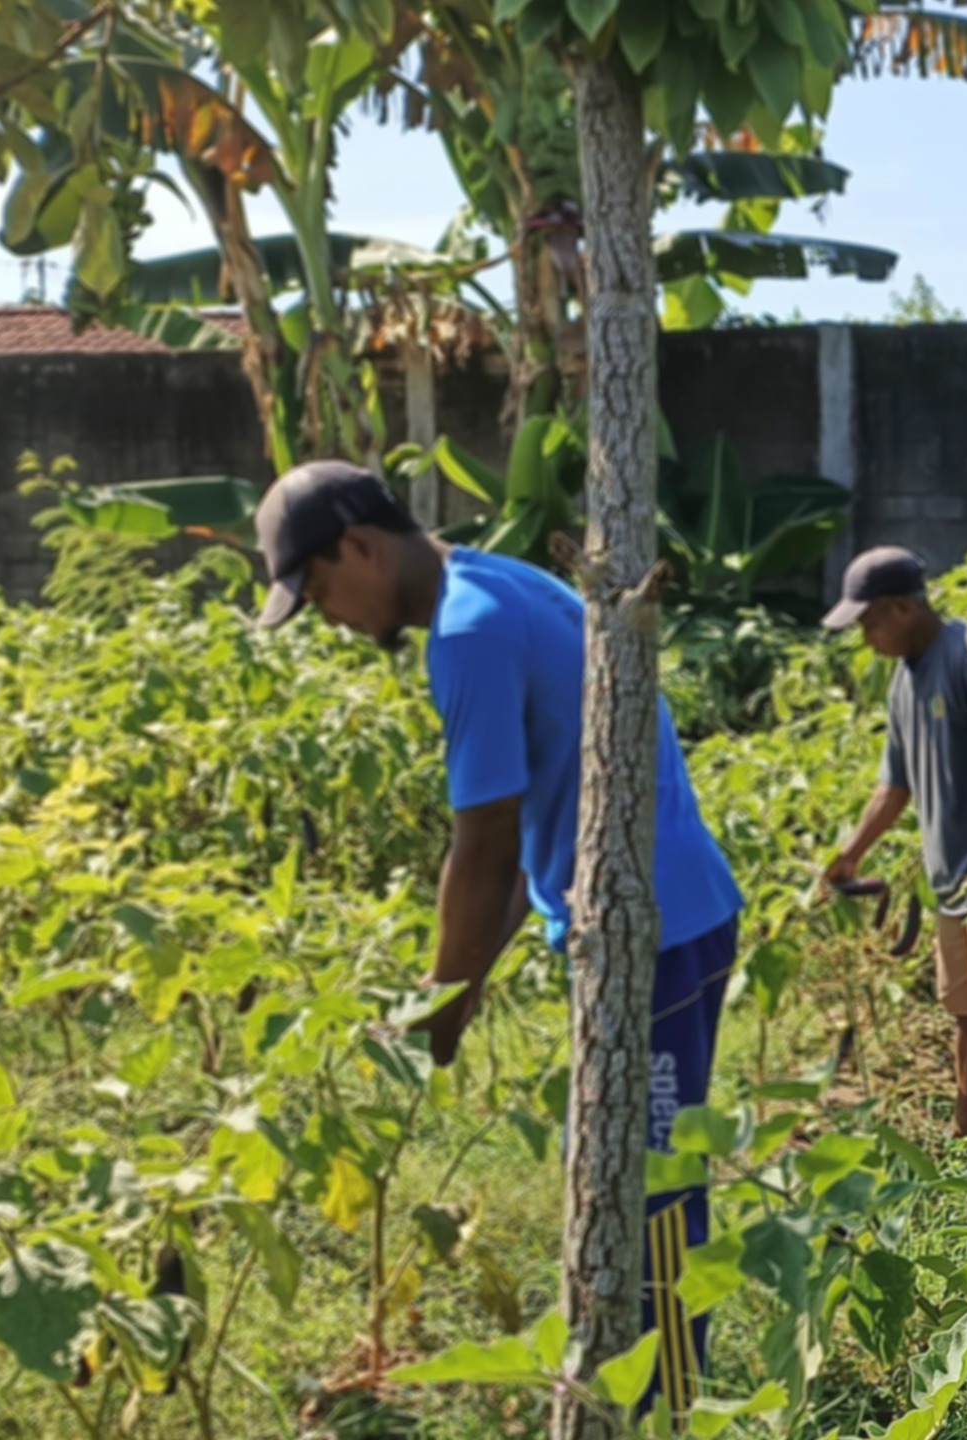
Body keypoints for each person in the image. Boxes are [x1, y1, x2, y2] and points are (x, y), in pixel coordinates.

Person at [251, 462, 740, 1421]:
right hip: (658, 918)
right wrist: (456, 1003)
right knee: (625, 1170)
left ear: (357, 546)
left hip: (660, 933)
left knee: (657, 1187)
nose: (329, 617)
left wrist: (437, 1018)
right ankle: (634, 1391)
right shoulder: (496, 578)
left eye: (316, 591)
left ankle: (674, 1406)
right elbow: (527, 849)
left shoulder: (469, 632)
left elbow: (480, 854)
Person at [821, 546, 967, 1172]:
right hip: (948, 877)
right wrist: (849, 855)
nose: (866, 636)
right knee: (964, 1006)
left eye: (870, 622)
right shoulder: (905, 678)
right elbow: (894, 787)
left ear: (902, 607)